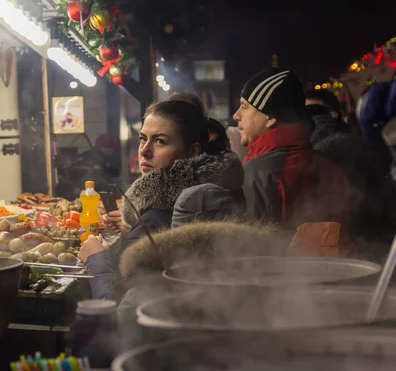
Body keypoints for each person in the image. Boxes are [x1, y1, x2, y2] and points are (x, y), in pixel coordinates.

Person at [78, 100, 244, 301]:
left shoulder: (160, 214)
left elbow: (114, 308)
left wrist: (96, 258)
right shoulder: (211, 193)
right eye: (142, 139)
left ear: (192, 152)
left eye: (160, 141)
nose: (144, 151)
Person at [234, 68, 350, 229]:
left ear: (271, 117)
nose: (236, 115)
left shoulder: (258, 172)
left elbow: (256, 246)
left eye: (244, 107)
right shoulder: (328, 165)